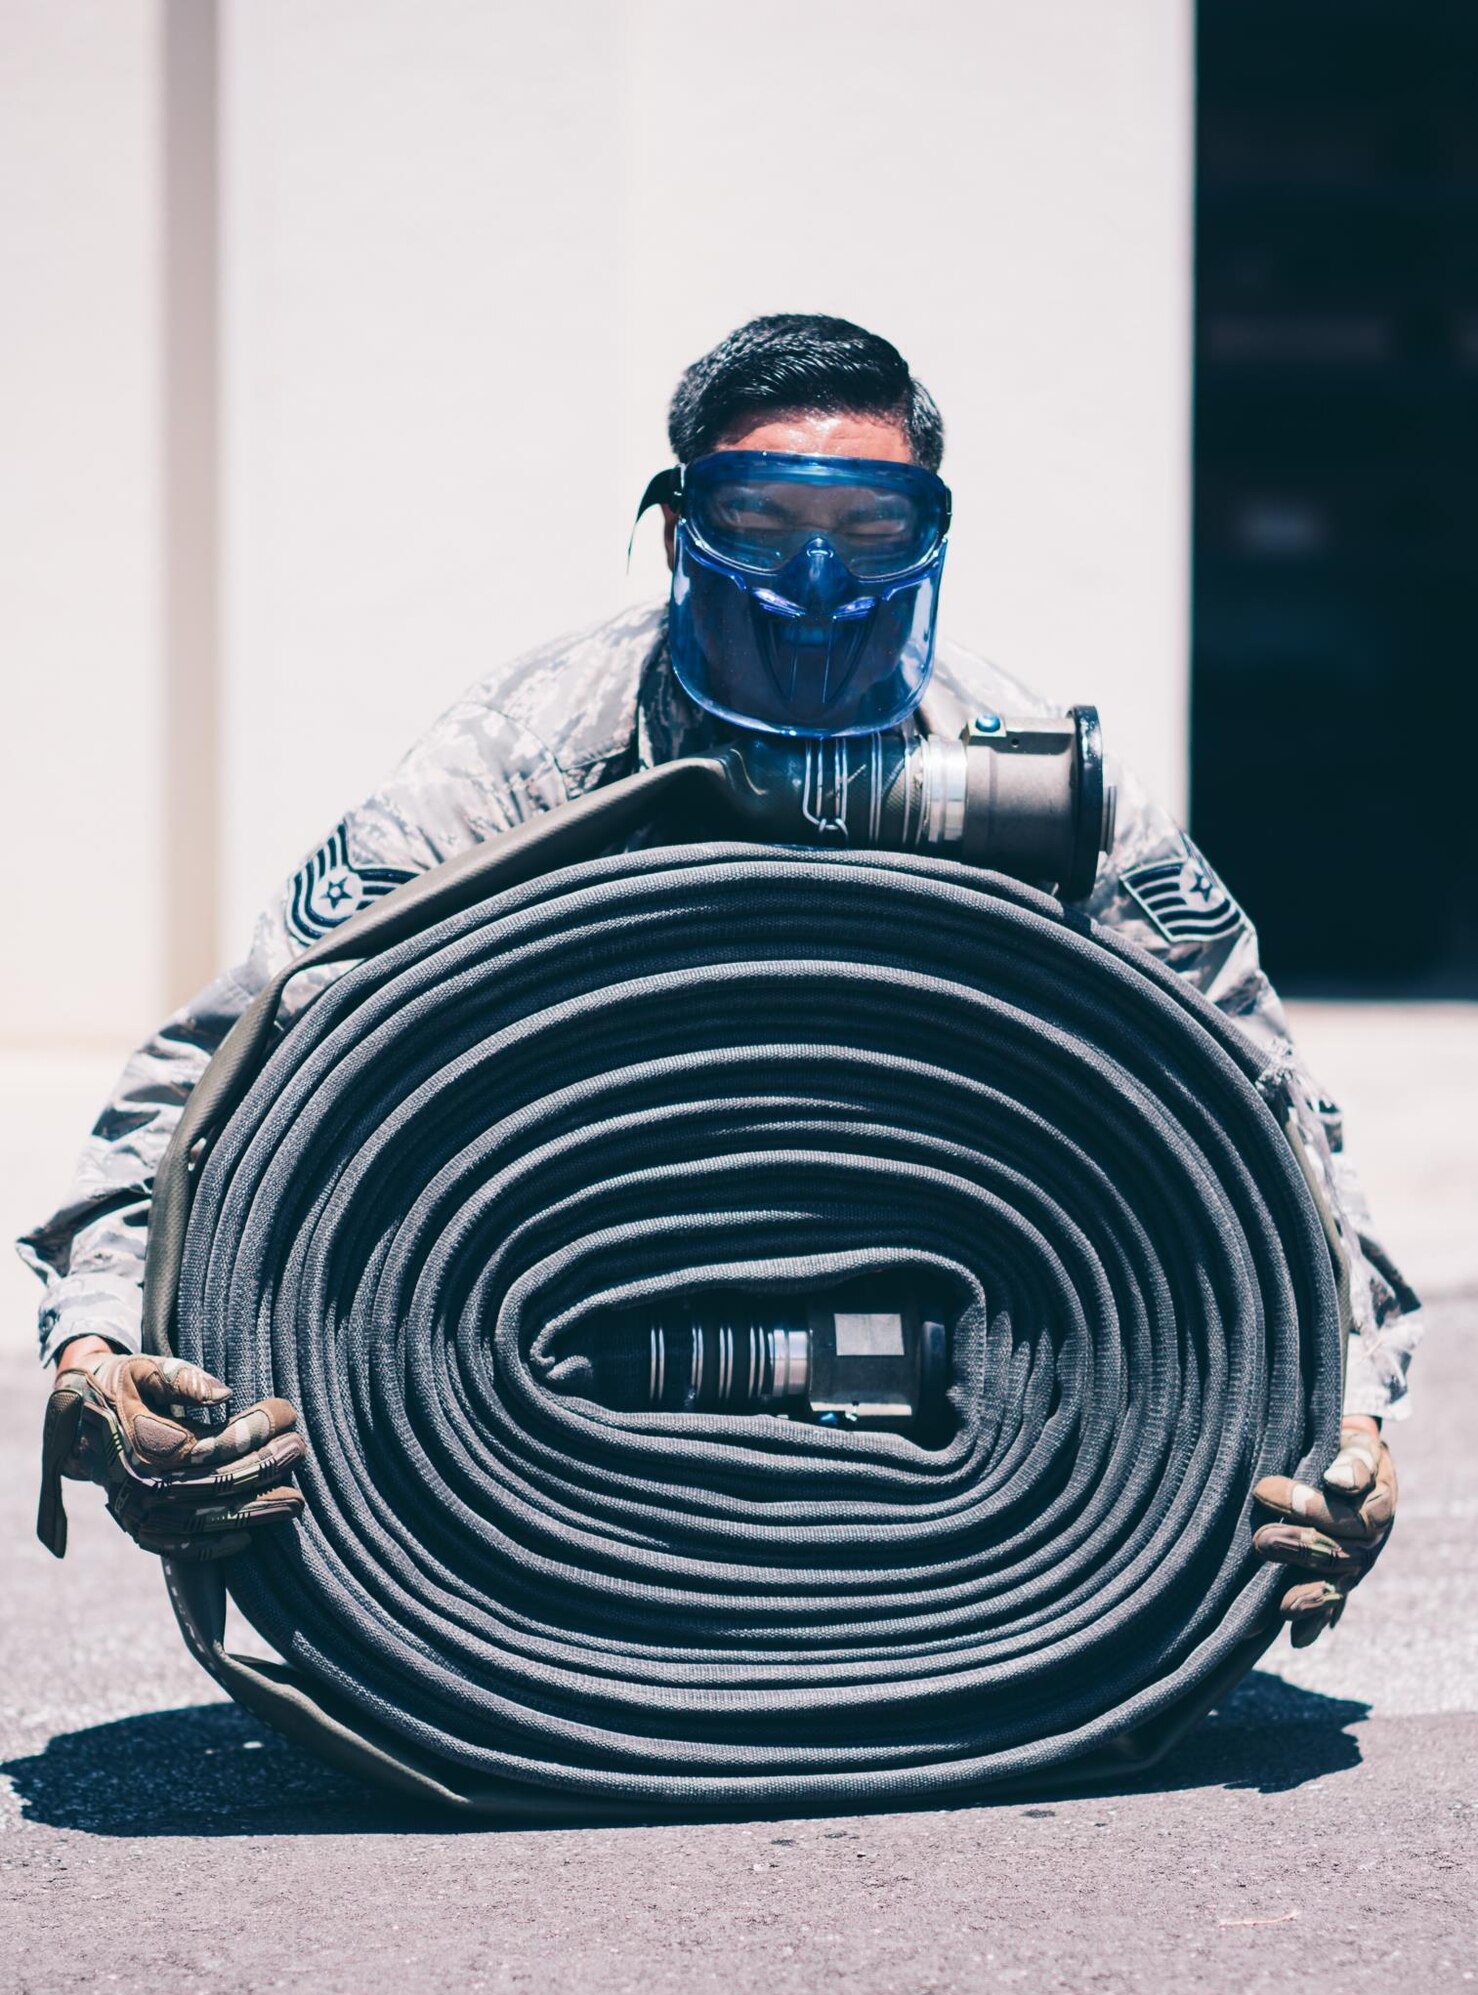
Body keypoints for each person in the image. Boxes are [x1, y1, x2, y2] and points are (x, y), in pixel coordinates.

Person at [23, 313, 1415, 1645]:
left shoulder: (1045, 794)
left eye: (870, 528)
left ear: (928, 535)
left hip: (926, 1257)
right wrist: (99, 1357)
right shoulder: (526, 766)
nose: (818, 581)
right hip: (573, 1268)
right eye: (762, 521)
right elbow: (225, 1069)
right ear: (680, 530)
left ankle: (942, 1602)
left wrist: (1338, 1409)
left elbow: (1268, 1109)